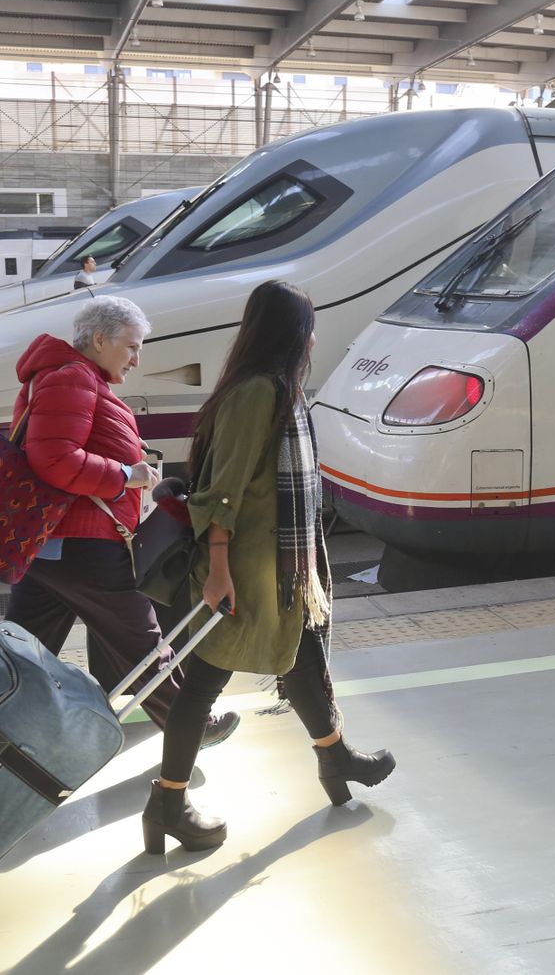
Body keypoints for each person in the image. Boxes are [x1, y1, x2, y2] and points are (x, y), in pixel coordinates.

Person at [143, 280, 394, 856]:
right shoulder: (259, 393)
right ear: (291, 334)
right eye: (308, 326)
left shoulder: (280, 390)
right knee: (204, 681)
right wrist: (219, 570)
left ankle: (335, 759)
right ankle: (168, 801)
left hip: (283, 570)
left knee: (301, 657)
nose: (313, 338)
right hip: (247, 568)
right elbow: (222, 492)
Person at [4, 296, 239, 750]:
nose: (136, 358)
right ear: (98, 339)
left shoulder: (68, 376)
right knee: (144, 639)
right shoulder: (72, 377)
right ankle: (191, 723)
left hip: (53, 547)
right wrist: (126, 475)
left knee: (18, 655)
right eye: (132, 346)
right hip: (85, 545)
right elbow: (53, 458)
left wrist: (126, 455)